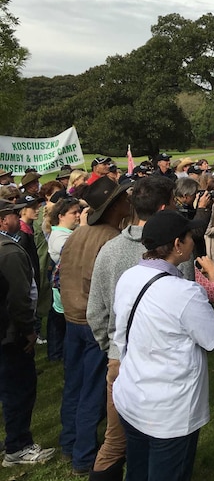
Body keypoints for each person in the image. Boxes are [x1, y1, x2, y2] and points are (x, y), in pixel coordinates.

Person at [86, 176, 191, 481]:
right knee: (155, 441)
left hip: (123, 361)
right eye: (173, 203)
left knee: (121, 441)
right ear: (163, 207)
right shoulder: (177, 251)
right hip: (162, 365)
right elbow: (186, 308)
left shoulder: (109, 250)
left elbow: (96, 312)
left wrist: (114, 348)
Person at [112, 210, 214, 481]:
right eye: (188, 238)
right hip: (169, 411)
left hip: (132, 395)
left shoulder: (129, 276)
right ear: (177, 244)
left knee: (137, 470)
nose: (192, 243)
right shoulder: (184, 293)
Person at [59, 176, 133, 476]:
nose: (129, 202)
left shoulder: (79, 232)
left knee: (74, 385)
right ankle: (83, 456)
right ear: (115, 206)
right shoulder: (110, 239)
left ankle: (69, 443)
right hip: (92, 322)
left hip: (71, 317)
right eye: (124, 198)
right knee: (92, 392)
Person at [0, 199, 57, 468]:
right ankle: (18, 447)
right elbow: (19, 298)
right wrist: (29, 331)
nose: (16, 216)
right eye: (12, 214)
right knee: (19, 390)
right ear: (2, 220)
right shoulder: (8, 252)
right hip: (11, 335)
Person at [46, 196, 83, 362]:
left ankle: (58, 353)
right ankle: (58, 354)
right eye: (73, 212)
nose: (78, 215)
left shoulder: (67, 233)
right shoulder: (59, 236)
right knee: (61, 324)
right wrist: (84, 227)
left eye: (79, 211)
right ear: (61, 215)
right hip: (65, 287)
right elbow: (75, 251)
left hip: (68, 285)